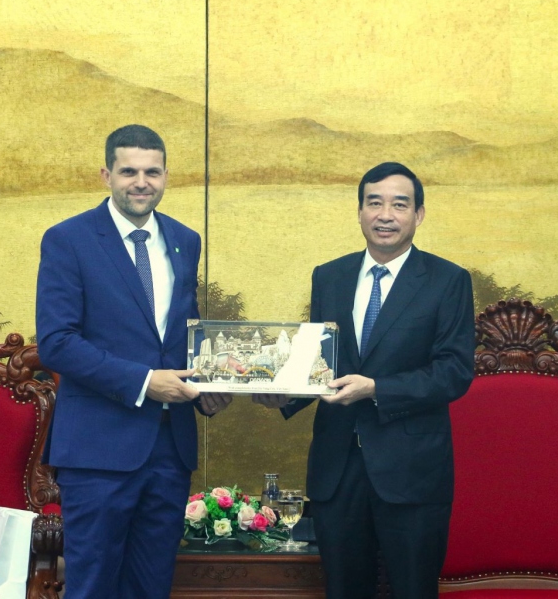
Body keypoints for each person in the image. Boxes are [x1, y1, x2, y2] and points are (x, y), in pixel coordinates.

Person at [256, 162, 475, 599]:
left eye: (399, 204)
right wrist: (282, 395)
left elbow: (454, 372)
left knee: (413, 589)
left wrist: (377, 389)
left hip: (410, 470)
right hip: (337, 469)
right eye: (374, 203)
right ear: (359, 212)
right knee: (343, 590)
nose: (386, 214)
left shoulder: (447, 281)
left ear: (419, 215)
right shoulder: (329, 275)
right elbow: (320, 359)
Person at [36, 124, 232, 599]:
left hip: (169, 451)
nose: (140, 182)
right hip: (98, 451)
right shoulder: (69, 239)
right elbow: (57, 342)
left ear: (166, 176)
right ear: (106, 174)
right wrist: (146, 382)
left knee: (151, 586)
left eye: (152, 172)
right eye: (128, 171)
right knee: (93, 586)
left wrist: (210, 381)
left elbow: (184, 331)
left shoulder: (185, 240)